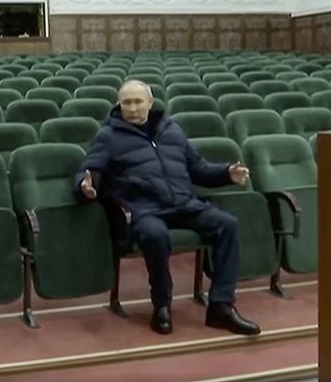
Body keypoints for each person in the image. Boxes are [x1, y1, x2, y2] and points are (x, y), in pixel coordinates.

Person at [75, 80, 260, 336]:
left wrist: (227, 173)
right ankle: (162, 304)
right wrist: (85, 185)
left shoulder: (171, 130)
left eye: (138, 101)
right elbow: (90, 169)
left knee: (227, 224)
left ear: (150, 103)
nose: (132, 107)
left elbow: (198, 169)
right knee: (155, 235)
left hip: (184, 203)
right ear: (119, 105)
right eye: (126, 102)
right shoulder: (109, 136)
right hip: (144, 209)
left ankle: (221, 306)